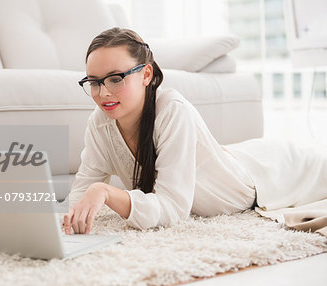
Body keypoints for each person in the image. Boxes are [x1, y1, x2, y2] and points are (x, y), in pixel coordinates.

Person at [62, 27, 327, 235]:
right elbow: (82, 189)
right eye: (94, 82)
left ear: (145, 75)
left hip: (266, 172)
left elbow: (173, 208)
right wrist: (72, 218)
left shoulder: (172, 109)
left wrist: (106, 192)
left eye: (116, 78)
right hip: (233, 155)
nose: (103, 92)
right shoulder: (101, 122)